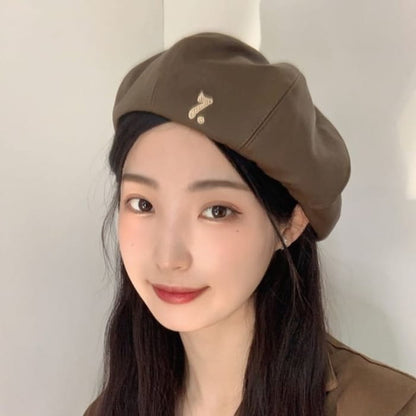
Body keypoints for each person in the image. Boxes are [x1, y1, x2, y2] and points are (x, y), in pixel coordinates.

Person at [83, 32, 416, 416]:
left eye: (216, 211)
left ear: (291, 224)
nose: (168, 257)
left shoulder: (389, 408)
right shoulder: (110, 409)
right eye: (142, 204)